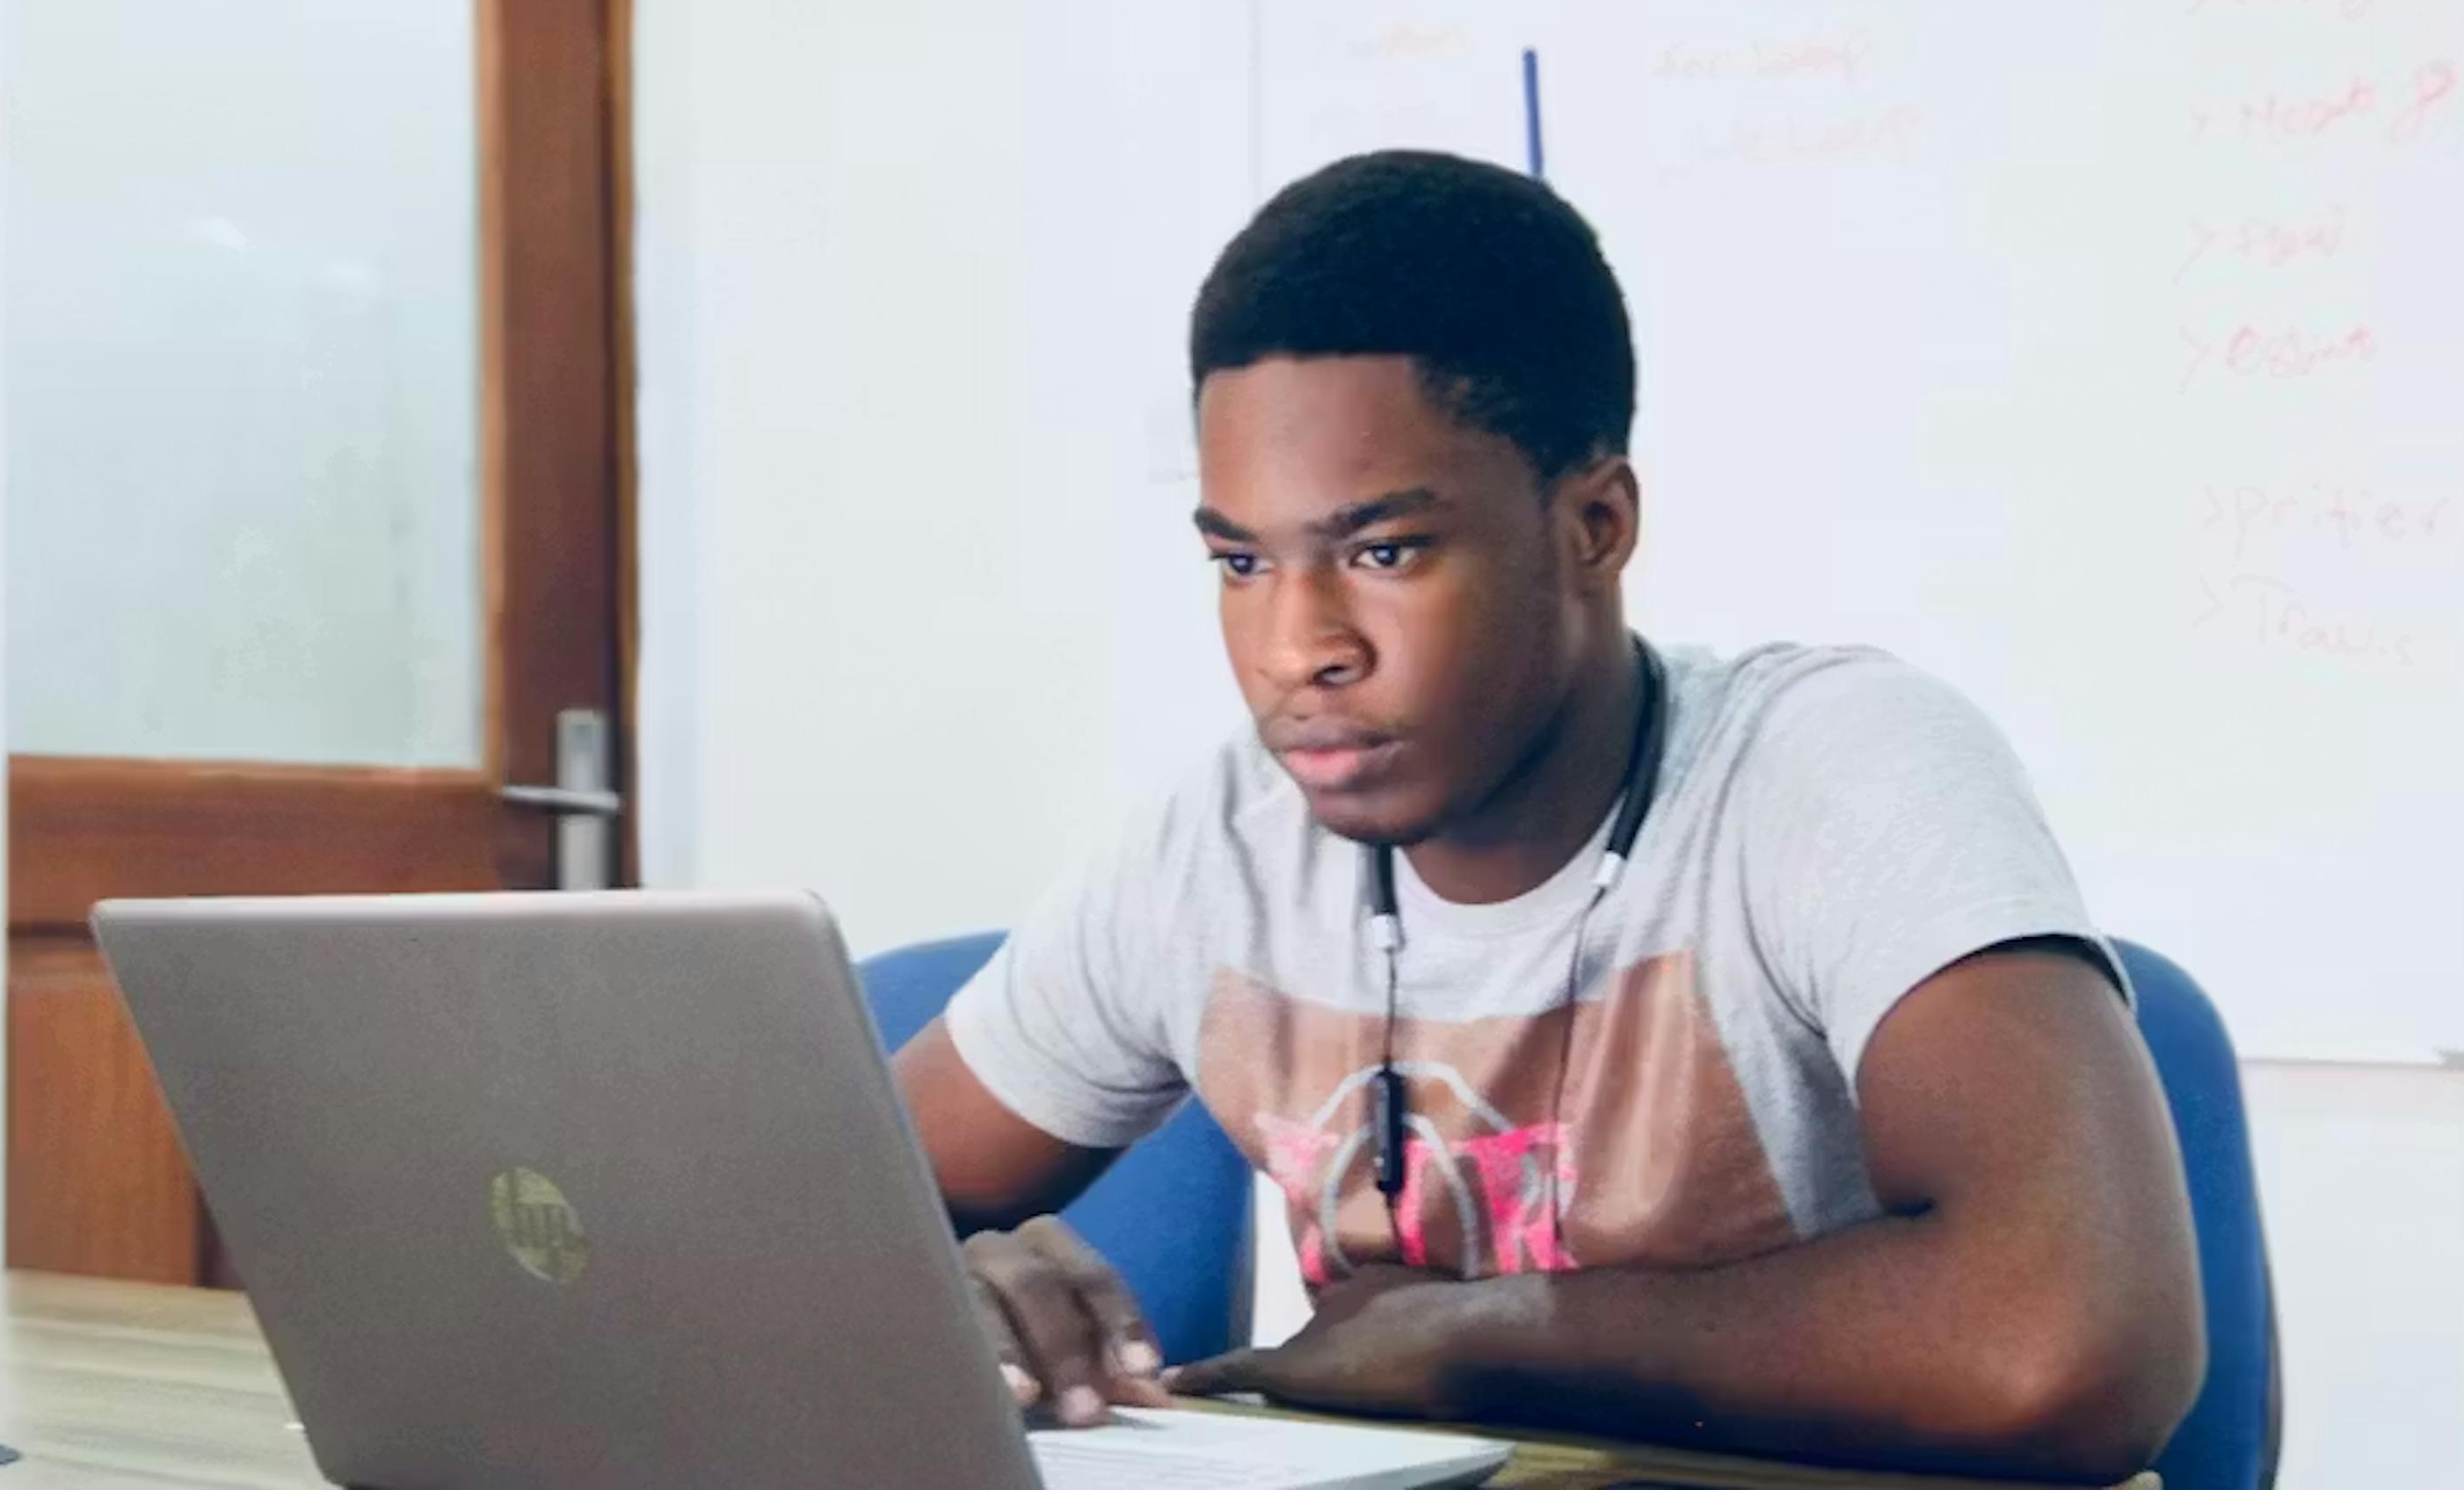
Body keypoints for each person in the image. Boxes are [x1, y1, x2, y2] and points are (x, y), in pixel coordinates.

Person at [890, 149, 2205, 1480]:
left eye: (1382, 551)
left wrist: (1490, 1333)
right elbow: (780, 1222)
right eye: (1241, 561)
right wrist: (955, 1276)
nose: (1298, 647)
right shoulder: (1219, 844)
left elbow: (2071, 1344)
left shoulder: (1833, 770)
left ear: (1593, 523)